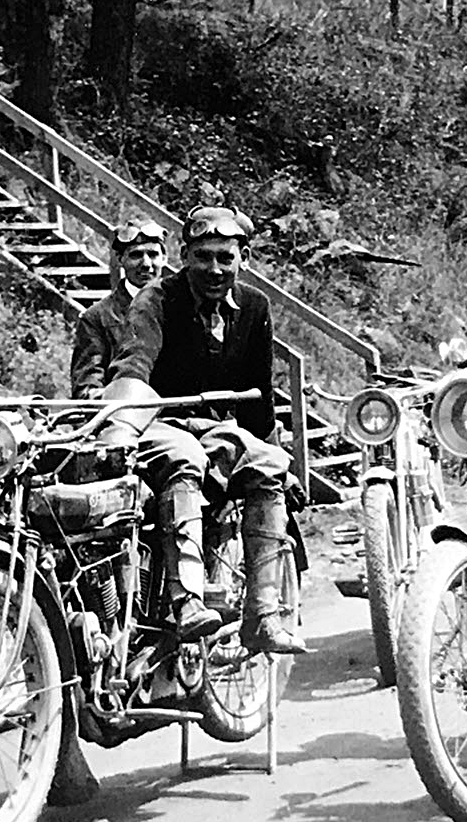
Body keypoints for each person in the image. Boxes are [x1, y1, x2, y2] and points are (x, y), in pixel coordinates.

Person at [103, 205, 307, 656]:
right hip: (159, 422)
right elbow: (134, 362)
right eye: (202, 257)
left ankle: (263, 615)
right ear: (184, 256)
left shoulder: (255, 308)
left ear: (244, 258)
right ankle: (186, 602)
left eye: (225, 258)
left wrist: (275, 458)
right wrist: (120, 423)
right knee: (185, 457)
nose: (214, 269)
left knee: (272, 465)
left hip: (218, 428)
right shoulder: (156, 300)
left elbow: (260, 400)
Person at [70, 215, 169, 398]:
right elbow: (86, 389)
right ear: (120, 259)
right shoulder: (97, 318)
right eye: (136, 255)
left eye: (153, 254)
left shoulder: (181, 307)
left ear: (164, 258)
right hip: (124, 418)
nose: (146, 264)